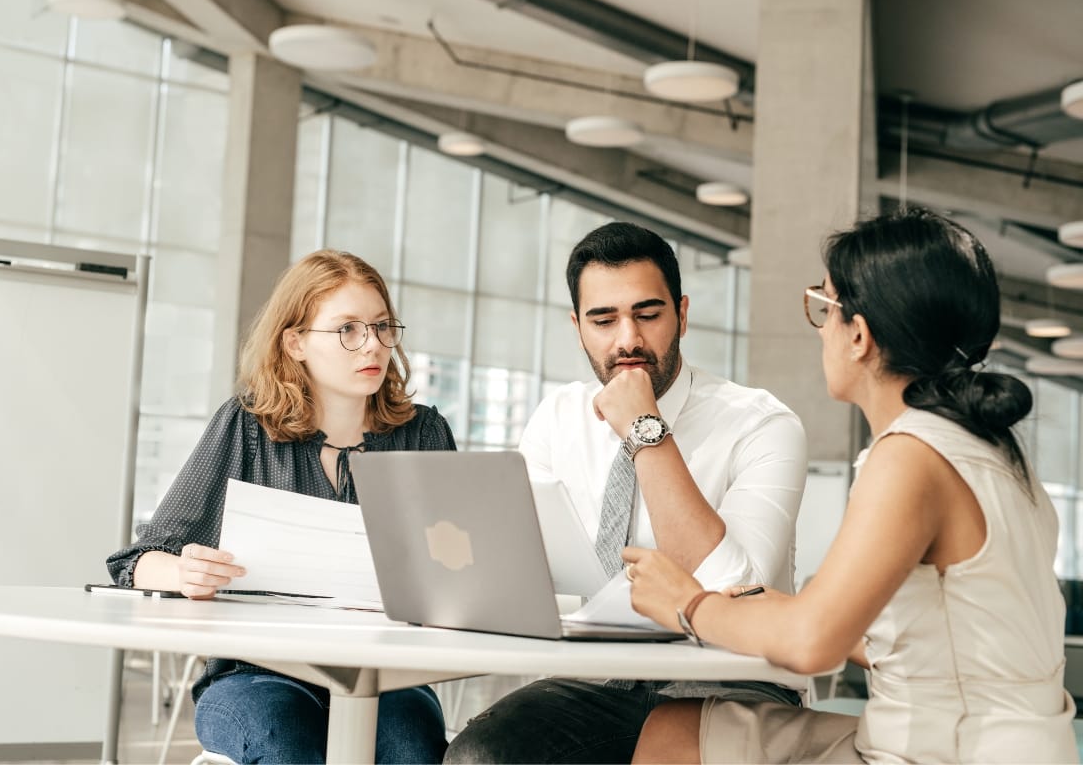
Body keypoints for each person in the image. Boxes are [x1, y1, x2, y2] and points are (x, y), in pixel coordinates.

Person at [625, 207, 1078, 764]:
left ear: (859, 334)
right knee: (679, 728)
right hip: (1008, 745)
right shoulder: (995, 451)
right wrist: (780, 608)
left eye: (825, 308)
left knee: (673, 738)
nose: (822, 332)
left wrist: (688, 604)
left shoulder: (910, 457)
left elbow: (813, 645)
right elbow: (949, 640)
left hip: (943, 753)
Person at [444, 221, 809, 764]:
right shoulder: (557, 418)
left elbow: (735, 590)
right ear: (578, 327)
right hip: (595, 679)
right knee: (479, 756)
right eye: (603, 319)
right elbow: (521, 569)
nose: (628, 340)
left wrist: (646, 430)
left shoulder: (761, 423)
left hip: (731, 677)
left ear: (682, 314)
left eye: (647, 314)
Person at [106, 250, 455, 764]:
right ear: (295, 343)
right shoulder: (248, 426)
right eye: (348, 330)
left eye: (383, 327)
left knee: (412, 747)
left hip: (387, 676)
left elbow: (458, 571)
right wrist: (185, 572)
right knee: (283, 740)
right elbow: (136, 563)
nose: (373, 345)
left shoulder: (423, 433)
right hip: (255, 674)